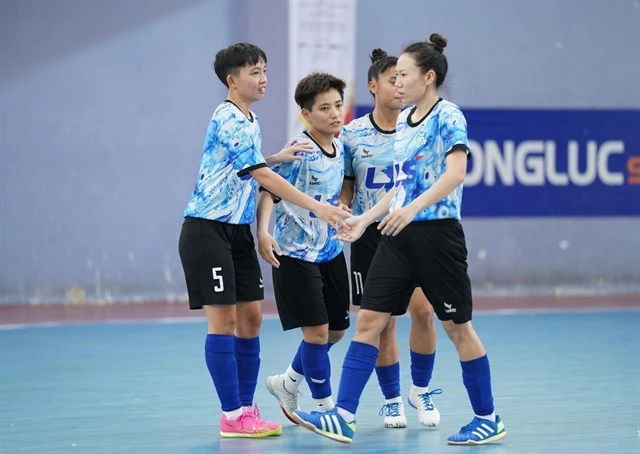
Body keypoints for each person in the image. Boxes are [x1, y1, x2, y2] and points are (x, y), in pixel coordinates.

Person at [292, 34, 507, 446]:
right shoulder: (405, 124)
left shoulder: (449, 116)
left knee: (457, 328)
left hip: (436, 236)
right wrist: (364, 219)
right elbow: (400, 186)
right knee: (370, 321)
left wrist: (412, 210)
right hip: (394, 234)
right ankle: (343, 415)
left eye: (404, 74)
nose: (398, 82)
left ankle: (487, 417)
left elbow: (456, 173)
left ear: (428, 77)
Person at [178, 43, 349, 439]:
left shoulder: (250, 119)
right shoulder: (228, 118)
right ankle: (232, 415)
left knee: (252, 319)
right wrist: (318, 208)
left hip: (237, 230)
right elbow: (262, 179)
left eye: (265, 70)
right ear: (231, 79)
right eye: (254, 72)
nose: (263, 78)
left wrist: (274, 156)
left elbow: (246, 166)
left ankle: (248, 407)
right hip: (207, 229)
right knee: (223, 322)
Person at [339, 48, 440, 429]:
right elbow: (346, 185)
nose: (399, 85)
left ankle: (421, 389)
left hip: (411, 233)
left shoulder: (416, 128)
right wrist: (344, 207)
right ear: (373, 86)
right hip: (369, 236)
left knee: (425, 312)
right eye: (392, 79)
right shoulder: (352, 134)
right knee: (382, 324)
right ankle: (392, 400)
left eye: (403, 78)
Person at [256, 72, 350, 423]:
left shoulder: (340, 148)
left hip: (330, 251)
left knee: (336, 332)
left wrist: (342, 210)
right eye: (324, 108)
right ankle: (327, 411)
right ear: (307, 114)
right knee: (317, 334)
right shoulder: (300, 151)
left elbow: (332, 193)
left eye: (338, 105)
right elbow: (269, 190)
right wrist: (263, 232)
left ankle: (288, 382)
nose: (334, 113)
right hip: (295, 255)